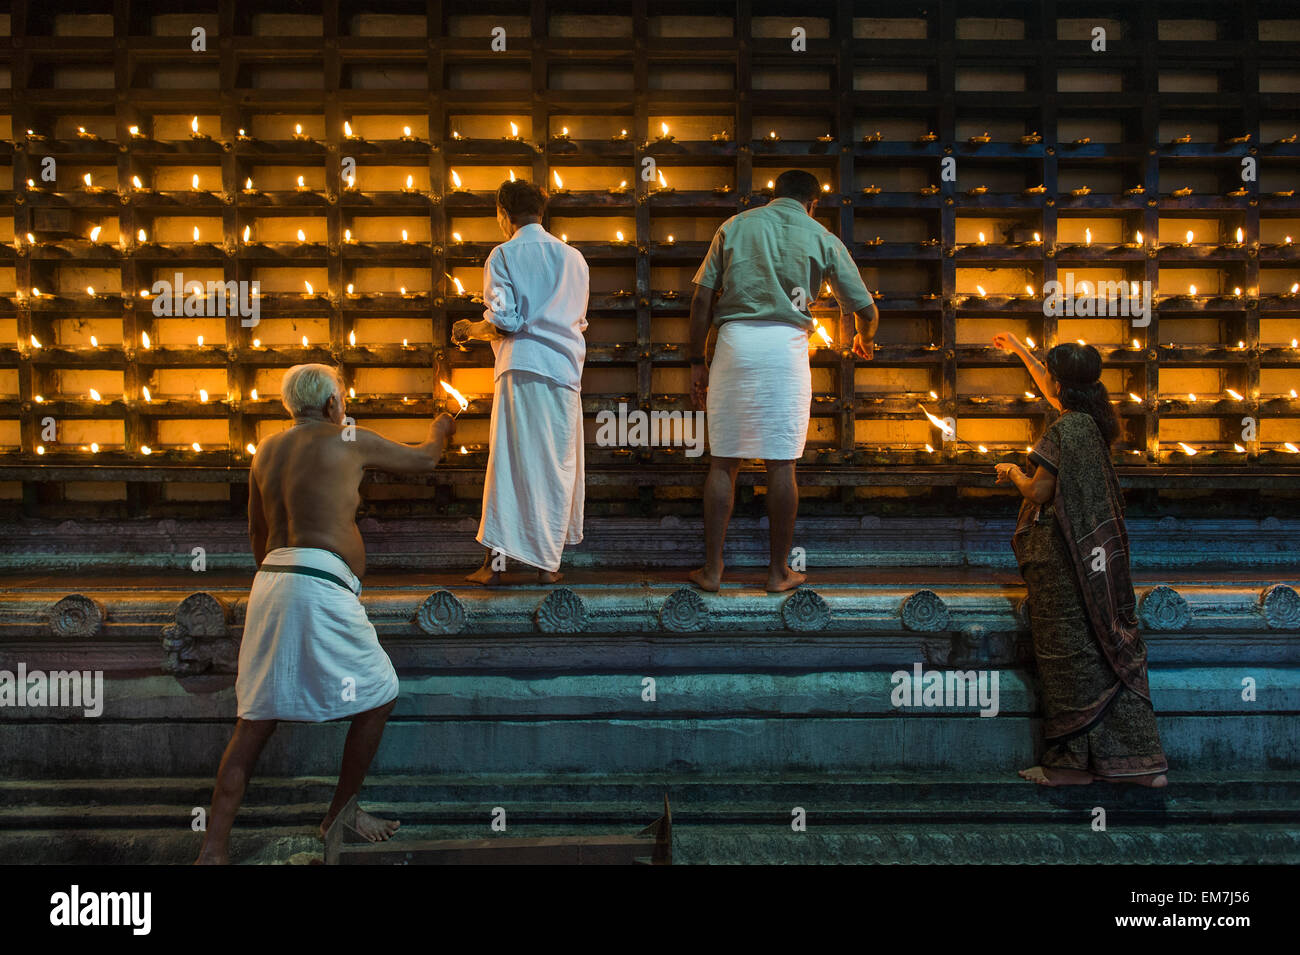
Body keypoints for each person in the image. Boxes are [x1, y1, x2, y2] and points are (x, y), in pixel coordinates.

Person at [195, 364, 457, 864]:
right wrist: (441, 428)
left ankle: (213, 848)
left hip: (271, 583)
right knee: (379, 693)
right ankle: (341, 813)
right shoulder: (350, 437)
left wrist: (287, 581)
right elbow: (425, 461)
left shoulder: (265, 450)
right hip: (323, 586)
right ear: (336, 403)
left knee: (254, 720)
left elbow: (255, 532)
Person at [688, 169, 878, 593]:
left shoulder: (735, 225)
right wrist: (864, 339)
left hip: (734, 345)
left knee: (723, 462)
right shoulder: (822, 236)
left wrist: (696, 362)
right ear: (813, 203)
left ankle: (713, 571)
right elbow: (866, 310)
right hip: (785, 350)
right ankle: (777, 572)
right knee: (782, 463)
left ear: (772, 196)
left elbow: (702, 297)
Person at [992, 335, 1168, 788]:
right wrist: (1018, 349)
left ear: (1058, 383)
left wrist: (1010, 471)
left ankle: (1068, 767)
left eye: (1048, 373)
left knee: (1066, 656)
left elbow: (1039, 492)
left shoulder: (1064, 430)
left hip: (1061, 562)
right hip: (1089, 560)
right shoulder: (1089, 421)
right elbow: (1053, 388)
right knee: (1102, 650)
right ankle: (1138, 764)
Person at [453, 180, 589, 586]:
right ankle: (549, 565)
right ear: (541, 212)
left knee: (509, 465)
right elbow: (579, 321)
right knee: (556, 464)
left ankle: (492, 567)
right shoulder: (574, 258)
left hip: (522, 368)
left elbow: (505, 320)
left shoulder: (503, 254)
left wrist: (469, 330)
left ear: (502, 213)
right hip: (565, 370)